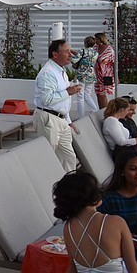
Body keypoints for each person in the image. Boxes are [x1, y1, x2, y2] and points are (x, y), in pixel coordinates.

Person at [40, 171, 137, 273]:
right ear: (93, 195)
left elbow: (72, 268)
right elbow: (135, 271)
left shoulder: (68, 227)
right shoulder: (117, 222)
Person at [33, 39, 82, 173]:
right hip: (49, 119)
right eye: (66, 52)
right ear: (55, 54)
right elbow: (46, 99)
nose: (70, 55)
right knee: (47, 156)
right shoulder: (47, 73)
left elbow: (62, 102)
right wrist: (68, 92)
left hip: (61, 120)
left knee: (69, 157)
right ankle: (44, 183)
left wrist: (68, 121)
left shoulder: (61, 71)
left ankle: (69, 186)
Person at [70, 36, 99, 118]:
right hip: (91, 75)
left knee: (80, 97)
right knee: (87, 95)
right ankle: (95, 112)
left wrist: (71, 54)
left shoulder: (82, 51)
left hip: (82, 75)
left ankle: (81, 116)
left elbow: (74, 60)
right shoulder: (95, 53)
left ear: (85, 43)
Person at [95, 32, 115, 109]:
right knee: (99, 93)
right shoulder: (95, 48)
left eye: (96, 39)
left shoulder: (109, 50)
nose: (95, 40)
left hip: (107, 74)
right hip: (97, 74)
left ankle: (106, 110)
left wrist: (116, 75)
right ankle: (101, 110)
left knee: (104, 93)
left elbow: (114, 62)